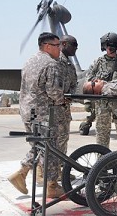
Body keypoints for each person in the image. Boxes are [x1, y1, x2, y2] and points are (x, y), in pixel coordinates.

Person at [8, 32, 66, 198]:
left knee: (38, 145)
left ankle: (21, 173)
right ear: (47, 46)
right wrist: (63, 101)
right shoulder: (51, 64)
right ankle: (52, 187)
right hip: (43, 113)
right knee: (50, 147)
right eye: (57, 45)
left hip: (29, 111)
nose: (60, 49)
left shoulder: (30, 61)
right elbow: (54, 92)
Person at [36, 35, 79, 185]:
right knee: (50, 142)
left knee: (62, 140)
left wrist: (69, 96)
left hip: (64, 109)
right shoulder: (53, 62)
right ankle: (42, 172)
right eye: (74, 45)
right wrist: (61, 97)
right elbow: (50, 87)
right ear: (64, 44)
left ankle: (59, 171)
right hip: (52, 109)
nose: (76, 48)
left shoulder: (70, 65)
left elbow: (74, 83)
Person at [86, 32, 117, 151]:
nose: (110, 49)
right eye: (108, 47)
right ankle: (102, 162)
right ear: (104, 47)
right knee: (102, 133)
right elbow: (89, 79)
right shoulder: (98, 62)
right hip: (102, 103)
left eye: (113, 47)